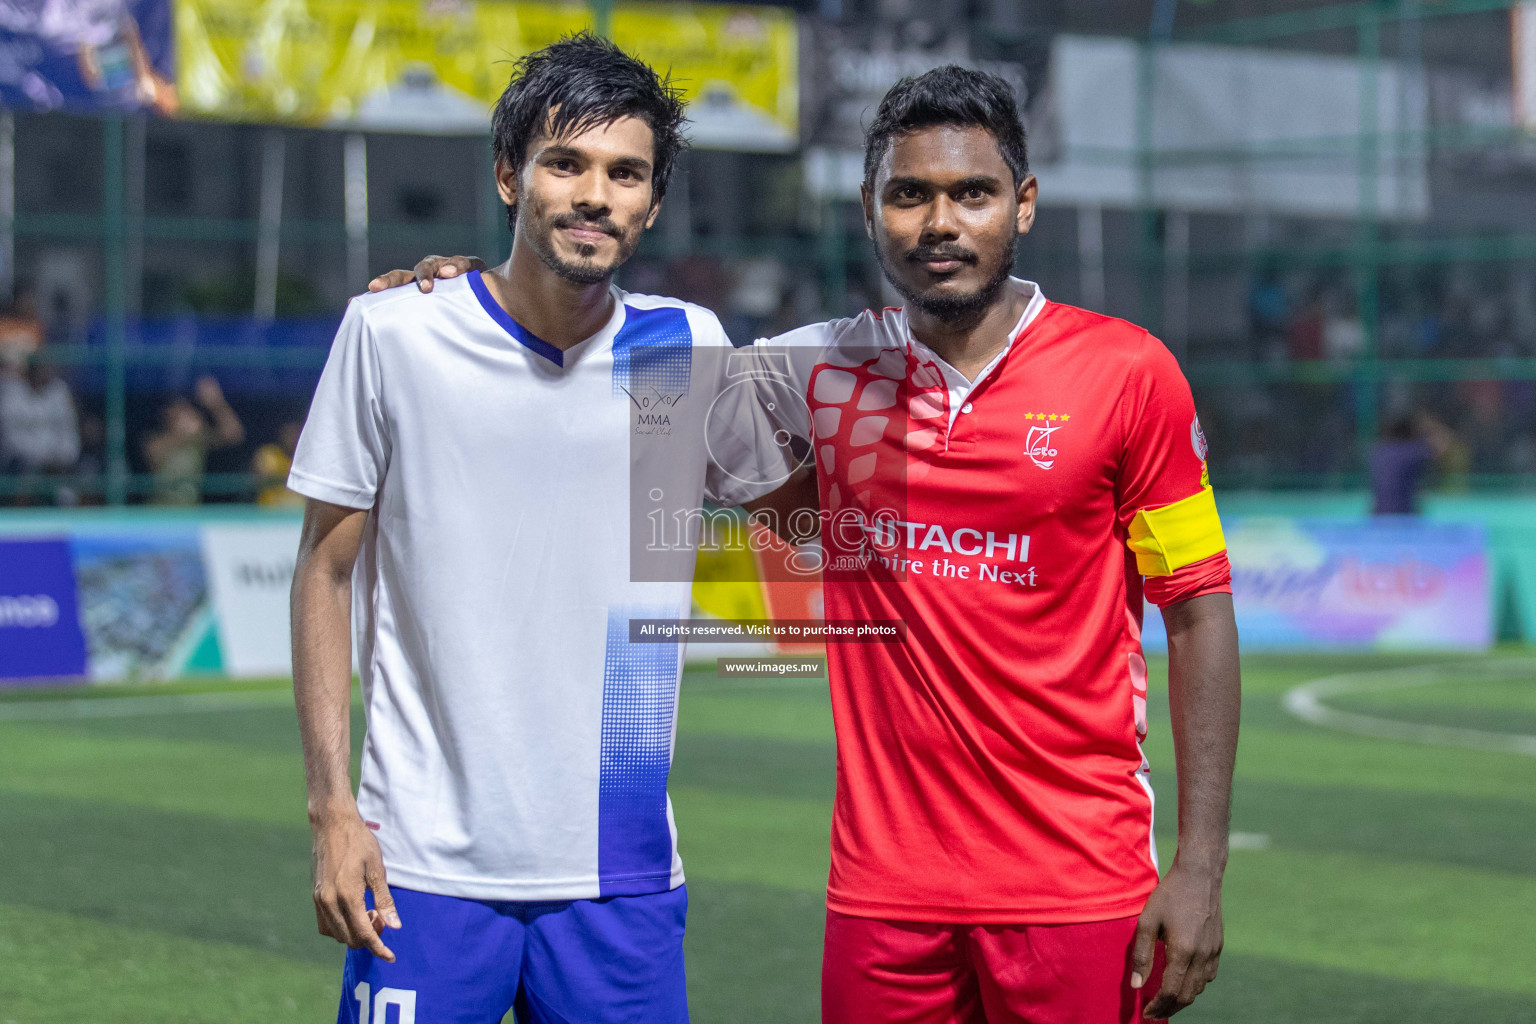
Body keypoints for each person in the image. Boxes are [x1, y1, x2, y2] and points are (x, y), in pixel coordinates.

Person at [392, 65, 1242, 1024]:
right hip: (883, 903)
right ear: (871, 210)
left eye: (974, 193)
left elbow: (1201, 612)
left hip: (1079, 887)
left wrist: (1200, 866)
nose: (941, 222)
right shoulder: (821, 367)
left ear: (1024, 205)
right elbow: (611, 362)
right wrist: (485, 292)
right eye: (909, 194)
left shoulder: (1130, 374)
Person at [289, 34, 795, 1024]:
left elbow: (809, 514)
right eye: (566, 162)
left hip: (621, 873)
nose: (594, 193)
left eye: (625, 172)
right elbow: (324, 568)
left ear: (651, 202)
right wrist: (332, 810)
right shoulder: (395, 332)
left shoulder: (686, 346)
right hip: (424, 867)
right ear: (510, 174)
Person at [142, 374, 244, 505]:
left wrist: (217, 404)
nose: (187, 416)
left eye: (188, 411)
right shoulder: (153, 441)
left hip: (188, 515)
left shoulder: (197, 441)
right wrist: (184, 434)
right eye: (180, 412)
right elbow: (155, 453)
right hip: (159, 515)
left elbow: (234, 434)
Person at [0, 350, 79, 503]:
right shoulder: (12, 395)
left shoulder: (60, 392)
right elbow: (11, 438)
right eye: (40, 370)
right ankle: (19, 514)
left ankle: (67, 512)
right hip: (23, 460)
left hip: (57, 462)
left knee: (77, 474)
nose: (44, 374)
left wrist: (63, 456)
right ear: (30, 371)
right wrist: (40, 458)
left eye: (47, 369)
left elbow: (68, 431)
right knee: (24, 472)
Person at [252, 419, 304, 507]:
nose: (293, 438)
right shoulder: (269, 453)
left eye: (296, 433)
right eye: (289, 434)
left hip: (297, 514)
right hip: (269, 512)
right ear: (282, 434)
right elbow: (262, 477)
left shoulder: (305, 456)